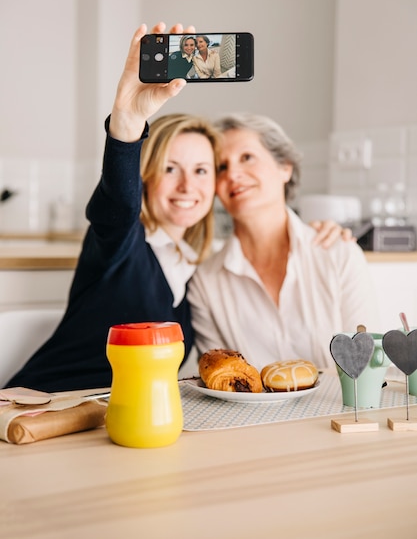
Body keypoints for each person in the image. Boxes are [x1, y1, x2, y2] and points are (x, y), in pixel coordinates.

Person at [6, 24, 352, 393]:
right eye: (171, 169)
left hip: (113, 423)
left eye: (203, 170)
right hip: (38, 410)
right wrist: (127, 118)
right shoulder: (122, 241)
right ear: (146, 177)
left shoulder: (194, 271)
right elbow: (119, 204)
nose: (188, 185)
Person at [187, 112, 380, 371]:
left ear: (285, 167)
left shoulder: (339, 253)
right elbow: (222, 377)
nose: (233, 174)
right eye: (221, 167)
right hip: (250, 413)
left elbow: (368, 366)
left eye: (247, 158)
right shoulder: (204, 282)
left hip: (342, 411)